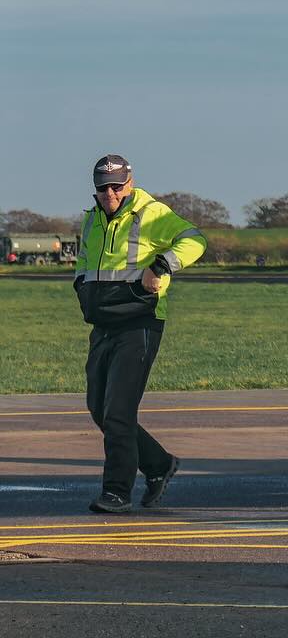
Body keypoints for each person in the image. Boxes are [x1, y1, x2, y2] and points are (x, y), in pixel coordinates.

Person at [74, 155, 207, 514]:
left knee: (118, 412)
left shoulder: (152, 213)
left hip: (140, 322)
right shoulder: (91, 220)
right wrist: (81, 286)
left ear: (129, 183)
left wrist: (162, 264)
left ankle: (116, 492)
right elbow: (85, 261)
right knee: (99, 409)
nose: (110, 193)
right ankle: (159, 464)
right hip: (103, 322)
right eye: (103, 187)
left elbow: (195, 240)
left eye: (117, 186)